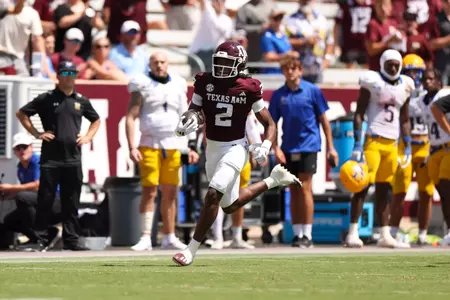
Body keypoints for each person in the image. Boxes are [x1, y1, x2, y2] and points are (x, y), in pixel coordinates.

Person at [172, 41, 301, 266]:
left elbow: (269, 123)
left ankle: (191, 249)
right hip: (212, 147)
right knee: (228, 205)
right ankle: (273, 180)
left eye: (227, 62)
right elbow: (196, 109)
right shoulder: (205, 81)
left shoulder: (249, 87)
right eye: (218, 62)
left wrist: (265, 145)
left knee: (212, 195)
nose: (221, 67)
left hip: (235, 147)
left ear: (239, 64)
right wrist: (190, 119)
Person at [16, 61, 101, 251]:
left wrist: (87, 136)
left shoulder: (81, 100)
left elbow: (95, 120)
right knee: (44, 199)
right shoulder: (46, 98)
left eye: (73, 72)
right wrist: (37, 134)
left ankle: (71, 241)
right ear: (58, 76)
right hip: (51, 160)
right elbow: (21, 113)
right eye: (65, 72)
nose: (69, 76)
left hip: (73, 158)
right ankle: (41, 240)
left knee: (71, 201)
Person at [126, 52, 199, 251]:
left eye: (162, 62)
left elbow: (186, 114)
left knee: (171, 192)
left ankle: (169, 235)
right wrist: (132, 145)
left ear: (168, 64)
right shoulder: (141, 84)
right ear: (149, 64)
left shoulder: (178, 83)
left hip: (173, 144)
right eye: (155, 62)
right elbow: (131, 116)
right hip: (149, 142)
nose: (159, 65)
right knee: (149, 191)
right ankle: (146, 236)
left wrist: (191, 145)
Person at [345, 49, 414, 248]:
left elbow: (405, 118)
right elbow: (359, 113)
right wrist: (358, 142)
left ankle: (385, 234)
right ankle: (352, 232)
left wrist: (407, 145)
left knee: (385, 190)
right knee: (362, 186)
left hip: (392, 144)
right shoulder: (373, 82)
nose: (393, 68)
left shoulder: (406, 86)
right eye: (389, 64)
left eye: (396, 64)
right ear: (382, 64)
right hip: (373, 141)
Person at [269, 54, 339, 248]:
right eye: (286, 68)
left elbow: (324, 120)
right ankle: (297, 232)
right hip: (288, 147)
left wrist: (331, 147)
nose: (290, 72)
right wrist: (275, 148)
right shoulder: (278, 95)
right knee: (293, 190)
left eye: (293, 68)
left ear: (300, 70)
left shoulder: (312, 91)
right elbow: (272, 124)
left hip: (309, 146)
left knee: (305, 188)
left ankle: (307, 234)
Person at [390, 54, 434, 245]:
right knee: (400, 192)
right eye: (410, 72)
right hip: (405, 147)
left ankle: (423, 233)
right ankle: (391, 232)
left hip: (425, 146)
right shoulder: (399, 91)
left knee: (427, 192)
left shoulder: (431, 94)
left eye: (418, 72)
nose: (414, 76)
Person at [0, 133, 61, 251]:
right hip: (42, 204)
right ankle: (44, 235)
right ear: (14, 151)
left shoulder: (39, 161)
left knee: (22, 197)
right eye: (18, 148)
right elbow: (28, 191)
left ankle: (42, 239)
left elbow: (38, 186)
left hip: (57, 204)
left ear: (31, 147)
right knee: (10, 220)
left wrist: (11, 188)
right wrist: (6, 194)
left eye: (24, 147)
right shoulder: (21, 168)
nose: (22, 151)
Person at [210, 111, 262, 250]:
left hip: (241, 153)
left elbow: (250, 126)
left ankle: (237, 237)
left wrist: (257, 149)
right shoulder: (216, 97)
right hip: (221, 151)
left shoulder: (243, 98)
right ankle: (217, 236)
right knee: (217, 193)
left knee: (239, 195)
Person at [418, 68, 450, 246]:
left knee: (446, 187)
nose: (427, 82)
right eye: (425, 79)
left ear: (439, 81)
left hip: (447, 147)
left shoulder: (445, 94)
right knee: (442, 194)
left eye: (431, 79)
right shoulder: (422, 100)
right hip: (434, 149)